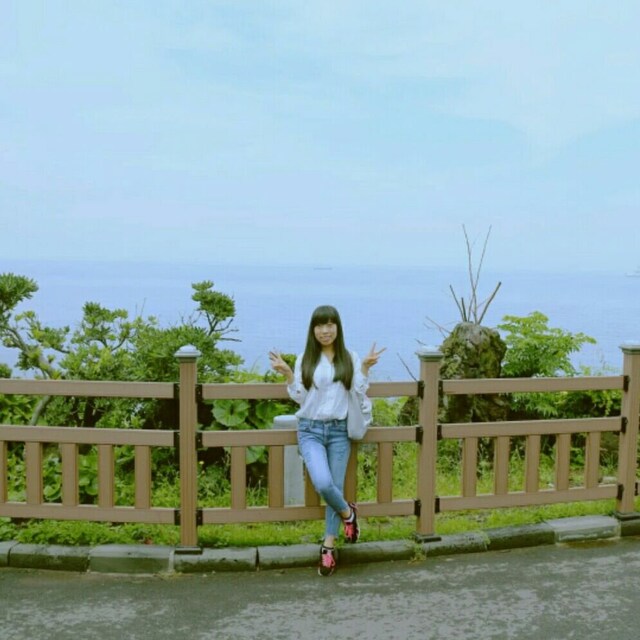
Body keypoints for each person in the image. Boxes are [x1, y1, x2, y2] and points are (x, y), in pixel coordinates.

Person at [269, 305, 385, 576]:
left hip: (339, 431)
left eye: (330, 325)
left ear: (337, 328)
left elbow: (358, 390)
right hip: (310, 430)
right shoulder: (306, 358)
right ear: (313, 330)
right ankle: (348, 514)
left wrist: (364, 368)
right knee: (323, 482)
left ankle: (328, 546)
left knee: (335, 484)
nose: (325, 331)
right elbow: (301, 397)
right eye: (320, 326)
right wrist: (288, 374)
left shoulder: (349, 357)